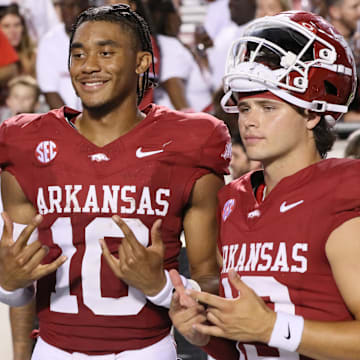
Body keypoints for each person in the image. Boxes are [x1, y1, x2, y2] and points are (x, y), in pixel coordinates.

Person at [0, 4, 231, 360]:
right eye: (78, 54)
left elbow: (211, 281)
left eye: (106, 52)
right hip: (52, 350)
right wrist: (8, 287)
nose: (89, 65)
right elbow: (20, 272)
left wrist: (161, 289)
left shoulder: (189, 140)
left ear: (142, 62)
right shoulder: (25, 141)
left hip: (147, 350)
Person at [169, 10, 360, 360]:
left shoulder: (341, 195)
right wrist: (202, 333)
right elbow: (245, 342)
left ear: (312, 114)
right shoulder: (233, 200)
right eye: (244, 108)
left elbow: (267, 328)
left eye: (269, 107)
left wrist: (274, 328)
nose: (250, 122)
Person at [36, 0, 89, 110]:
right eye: (63, 6)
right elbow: (49, 90)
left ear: (85, 7)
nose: (67, 11)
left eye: (73, 5)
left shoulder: (101, 37)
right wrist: (69, 122)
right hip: (61, 119)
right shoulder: (48, 42)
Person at [0, 4, 37, 77]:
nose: (13, 31)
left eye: (17, 25)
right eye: (6, 26)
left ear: (23, 28)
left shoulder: (34, 55)